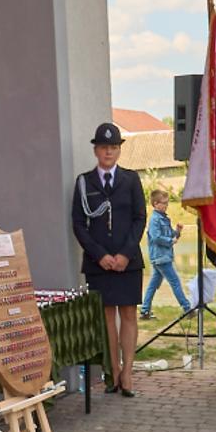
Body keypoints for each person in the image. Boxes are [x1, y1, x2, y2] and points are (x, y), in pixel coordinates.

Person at [70, 121, 148, 396]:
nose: (108, 152)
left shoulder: (131, 179)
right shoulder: (84, 182)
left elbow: (140, 218)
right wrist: (100, 255)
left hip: (128, 262)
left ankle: (128, 373)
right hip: (98, 263)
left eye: (113, 147)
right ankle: (113, 371)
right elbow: (78, 224)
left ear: (119, 150)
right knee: (106, 318)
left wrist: (125, 254)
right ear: (96, 150)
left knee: (128, 314)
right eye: (103, 147)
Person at [139, 190, 189, 319]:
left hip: (163, 257)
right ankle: (187, 308)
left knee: (153, 285)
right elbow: (156, 237)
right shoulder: (154, 220)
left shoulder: (164, 218)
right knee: (175, 282)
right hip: (161, 257)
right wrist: (170, 241)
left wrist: (177, 231)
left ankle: (145, 310)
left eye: (167, 203)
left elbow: (171, 234)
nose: (166, 205)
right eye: (164, 203)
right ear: (156, 204)